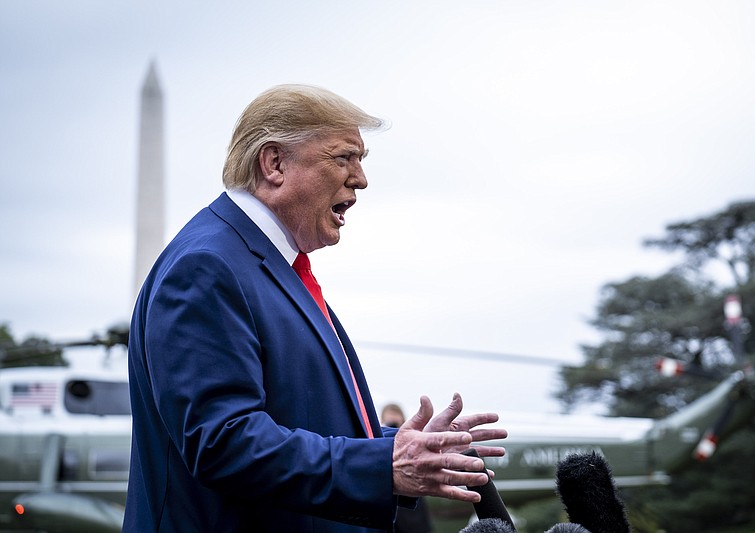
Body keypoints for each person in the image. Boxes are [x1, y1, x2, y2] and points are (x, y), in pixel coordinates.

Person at [123, 84, 507, 532]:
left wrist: (399, 445)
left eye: (361, 160)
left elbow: (304, 425)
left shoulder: (261, 264)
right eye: (344, 158)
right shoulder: (207, 266)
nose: (361, 179)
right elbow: (223, 443)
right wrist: (383, 465)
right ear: (274, 163)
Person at [380, 404, 434, 533]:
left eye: (395, 423)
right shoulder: (376, 444)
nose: (391, 427)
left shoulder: (415, 445)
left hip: (411, 508)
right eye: (388, 424)